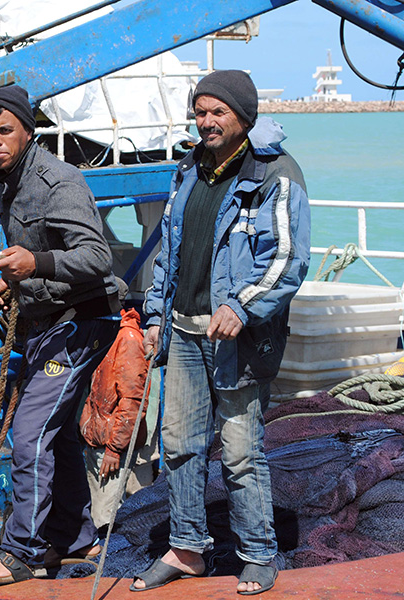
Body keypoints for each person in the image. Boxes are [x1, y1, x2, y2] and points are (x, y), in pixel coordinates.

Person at [133, 70, 310, 595]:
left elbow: (286, 260)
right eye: (200, 110)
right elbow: (170, 248)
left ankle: (258, 552)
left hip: (237, 339)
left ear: (244, 116)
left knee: (238, 449)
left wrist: (242, 306)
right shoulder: (189, 168)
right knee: (181, 446)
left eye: (218, 112)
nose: (206, 121)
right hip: (185, 334)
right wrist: (155, 316)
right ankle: (187, 549)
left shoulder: (276, 172)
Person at [0, 84, 120, 585]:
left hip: (81, 321)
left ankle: (24, 551)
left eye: (4, 131)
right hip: (45, 321)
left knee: (30, 434)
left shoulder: (59, 181)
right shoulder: (4, 178)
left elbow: (97, 257)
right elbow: (32, 252)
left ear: (28, 131)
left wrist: (36, 263)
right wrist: (14, 288)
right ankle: (76, 539)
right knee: (55, 437)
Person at [79, 305, 151, 530]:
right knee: (98, 513)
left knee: (104, 518)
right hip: (98, 442)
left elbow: (133, 402)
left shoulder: (127, 339)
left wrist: (114, 449)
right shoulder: (108, 334)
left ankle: (108, 562)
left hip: (110, 449)